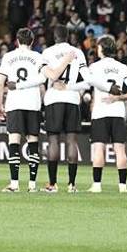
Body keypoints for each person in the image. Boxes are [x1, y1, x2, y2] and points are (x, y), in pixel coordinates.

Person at [0, 28, 73, 193]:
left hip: (14, 102)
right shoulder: (38, 57)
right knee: (33, 143)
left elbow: (1, 82)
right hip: (33, 103)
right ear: (32, 41)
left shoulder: (8, 57)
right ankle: (32, 185)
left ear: (17, 40)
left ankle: (14, 184)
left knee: (14, 142)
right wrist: (45, 102)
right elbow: (44, 80)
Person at [80, 35, 127, 193]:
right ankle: (123, 186)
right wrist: (119, 97)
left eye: (98, 47)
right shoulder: (122, 67)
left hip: (100, 111)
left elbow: (87, 85)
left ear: (102, 49)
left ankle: (97, 185)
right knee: (120, 150)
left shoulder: (94, 67)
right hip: (118, 111)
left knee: (99, 149)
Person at [39, 24, 88, 193]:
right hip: (72, 98)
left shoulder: (47, 53)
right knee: (71, 141)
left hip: (54, 98)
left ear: (54, 37)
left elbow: (46, 77)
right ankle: (72, 185)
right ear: (68, 37)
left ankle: (52, 184)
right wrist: (74, 90)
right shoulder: (78, 52)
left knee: (53, 141)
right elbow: (87, 79)